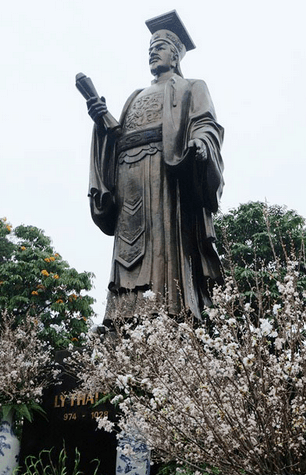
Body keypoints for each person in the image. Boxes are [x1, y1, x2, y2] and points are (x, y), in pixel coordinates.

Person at [85, 10, 225, 325]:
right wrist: (102, 125)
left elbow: (207, 125)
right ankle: (123, 319)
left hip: (165, 178)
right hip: (128, 178)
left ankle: (171, 313)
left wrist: (201, 145)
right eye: (150, 49)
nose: (153, 52)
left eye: (159, 47)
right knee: (128, 251)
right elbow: (116, 138)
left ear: (175, 57)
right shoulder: (135, 95)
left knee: (165, 248)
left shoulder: (191, 87)